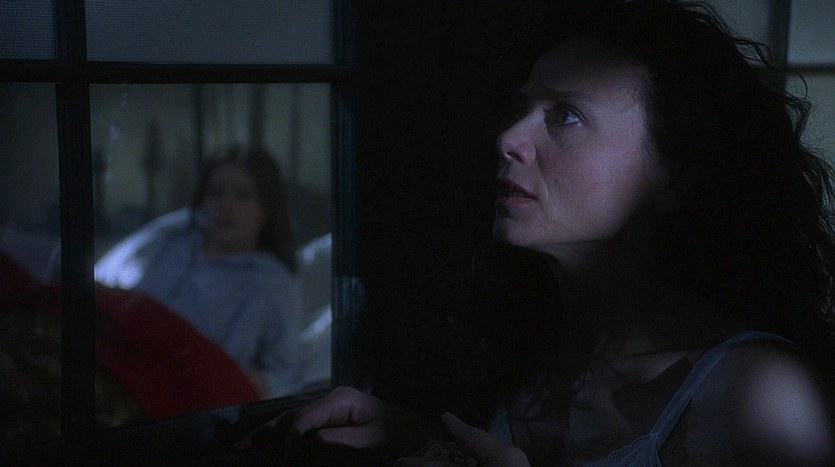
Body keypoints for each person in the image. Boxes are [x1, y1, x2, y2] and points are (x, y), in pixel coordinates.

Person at [285, 1, 835, 465]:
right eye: (521, 109)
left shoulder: (758, 395)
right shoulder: (523, 353)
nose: (508, 138)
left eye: (565, 116)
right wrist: (425, 441)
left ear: (676, 176)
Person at [96, 143, 304, 400]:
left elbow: (286, 374)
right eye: (216, 193)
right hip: (119, 360)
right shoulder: (171, 240)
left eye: (243, 196)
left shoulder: (271, 282)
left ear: (266, 209)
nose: (226, 206)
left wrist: (243, 381)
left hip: (183, 391)